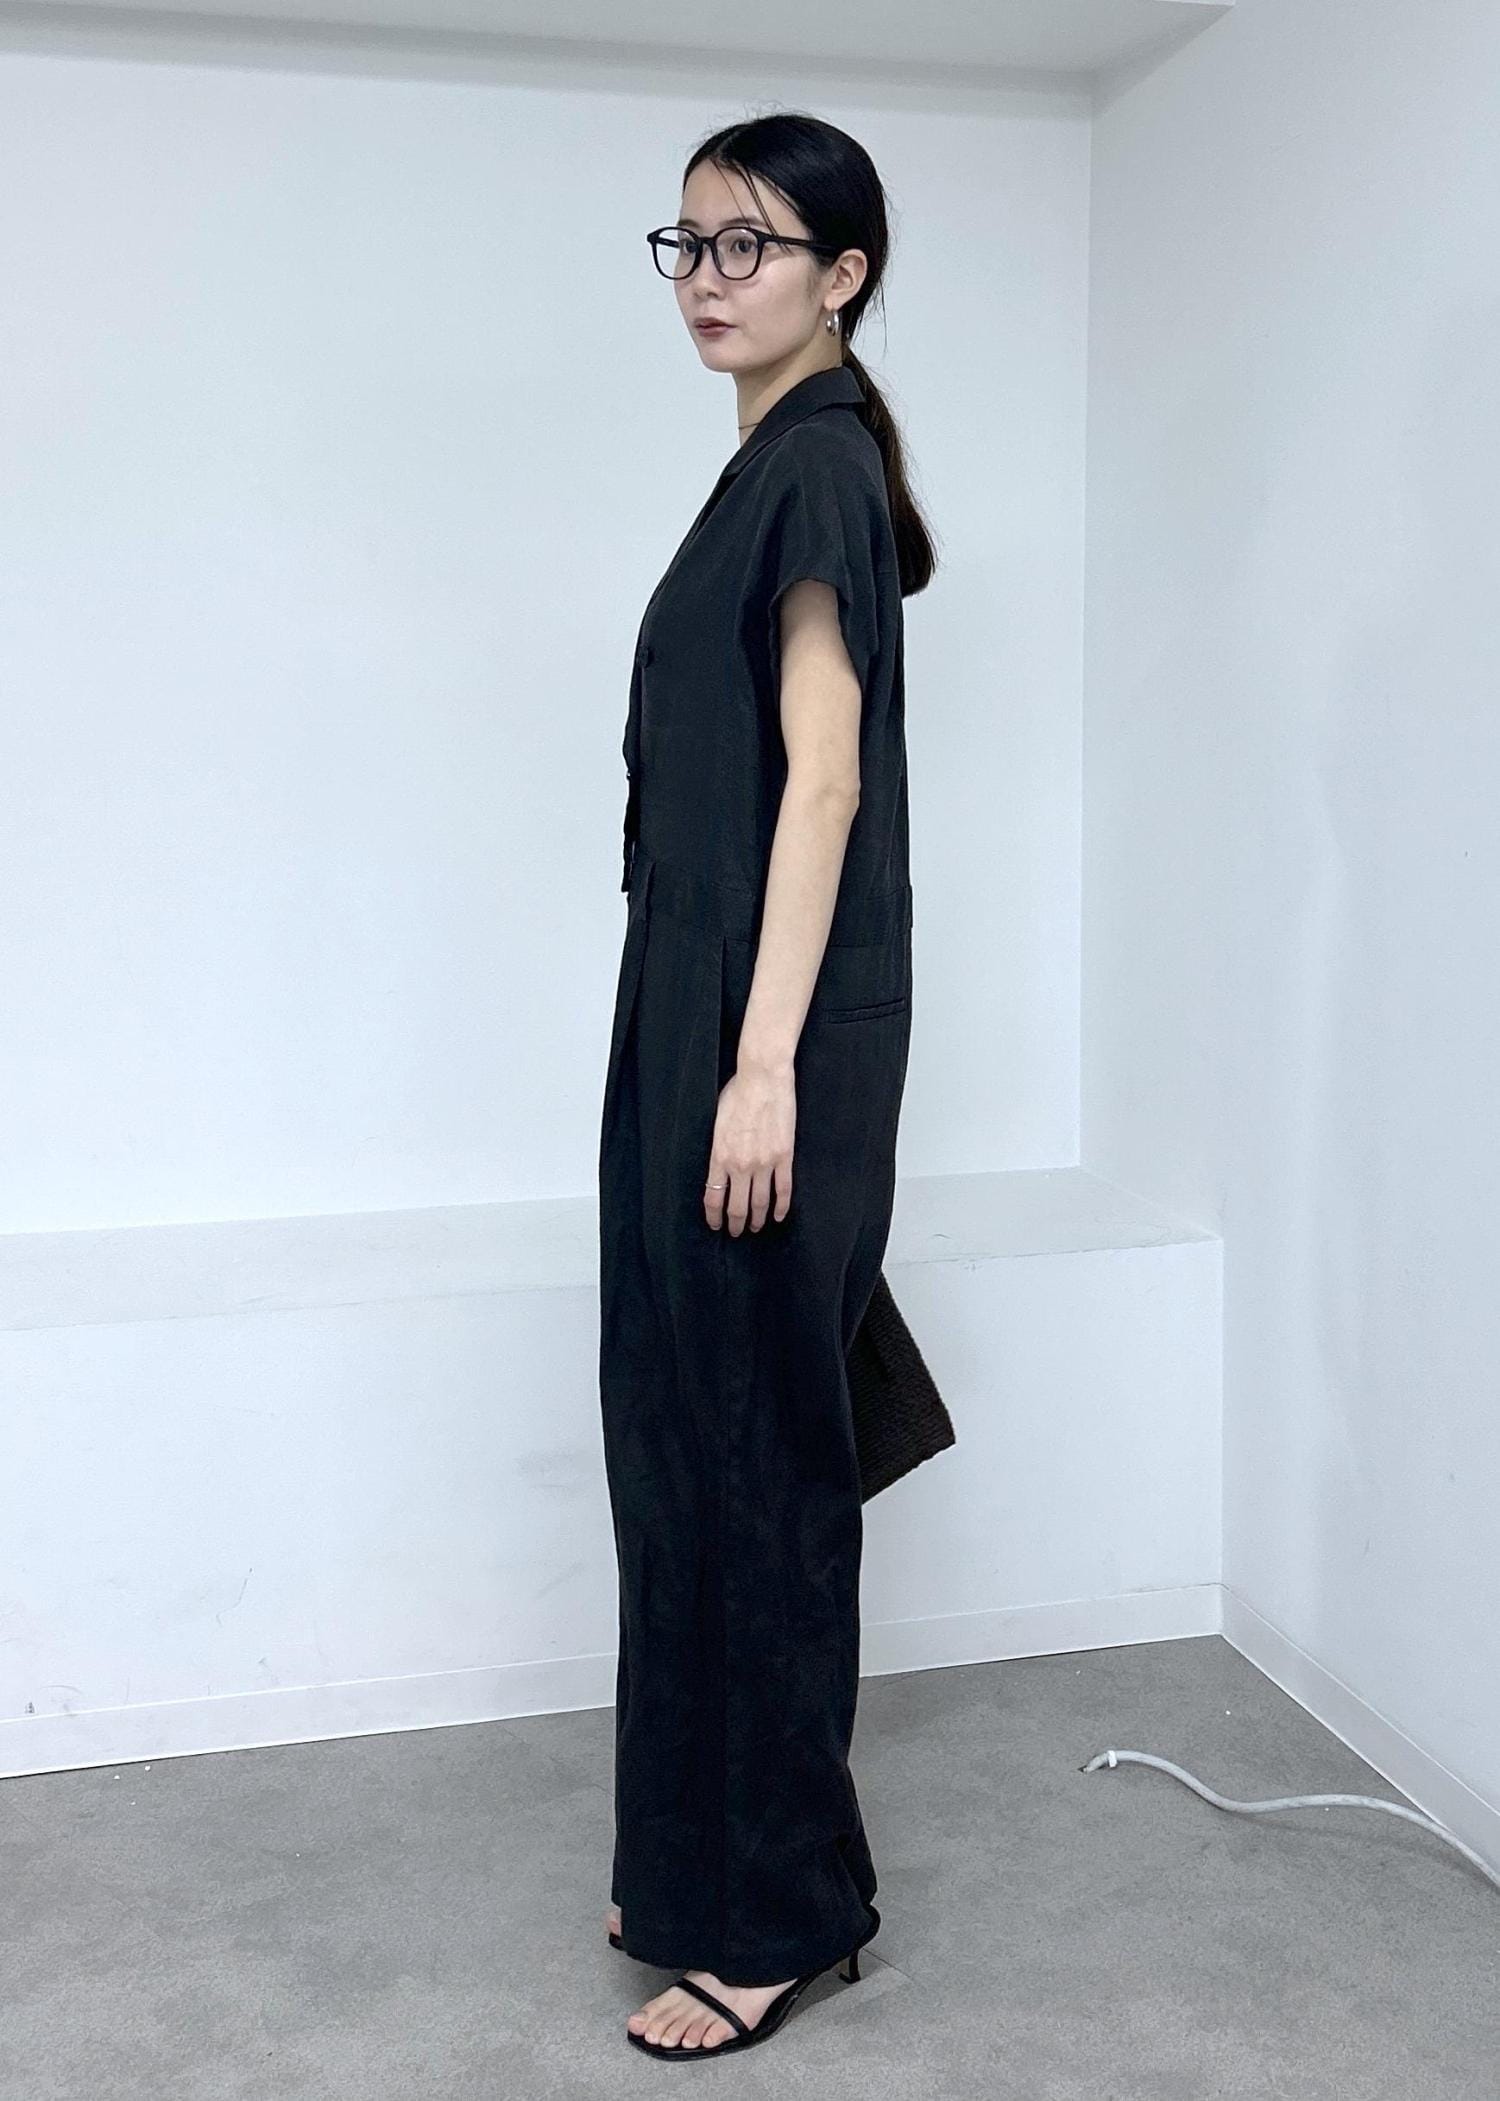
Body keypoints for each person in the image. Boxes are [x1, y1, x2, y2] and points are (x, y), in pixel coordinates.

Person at [597, 109, 938, 2059]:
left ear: (844, 274)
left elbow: (827, 780)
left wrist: (758, 1065)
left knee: (754, 1461)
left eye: (753, 244)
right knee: (677, 1430)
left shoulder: (816, 466)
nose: (710, 278)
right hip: (690, 1009)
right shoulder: (771, 466)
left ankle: (782, 1912)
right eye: (690, 242)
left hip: (761, 1031)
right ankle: (689, 1856)